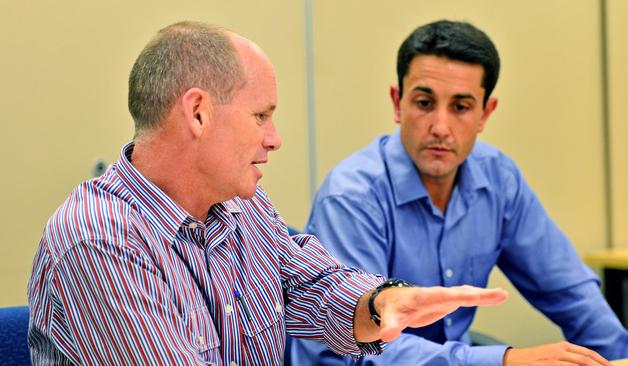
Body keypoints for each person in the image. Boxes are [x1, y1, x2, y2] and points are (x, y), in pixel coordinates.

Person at [26, 21, 508, 365]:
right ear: (197, 113)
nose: (274, 137)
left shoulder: (240, 202)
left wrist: (382, 303)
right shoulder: (99, 242)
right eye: (261, 116)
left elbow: (311, 285)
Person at [290, 20, 628, 366]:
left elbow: (568, 291)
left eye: (460, 107)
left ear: (485, 113)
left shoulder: (498, 178)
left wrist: (627, 360)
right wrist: (503, 360)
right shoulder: (352, 196)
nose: (441, 128)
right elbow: (360, 351)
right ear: (398, 103)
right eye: (425, 103)